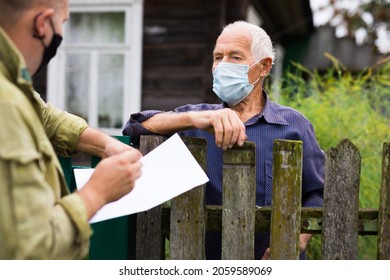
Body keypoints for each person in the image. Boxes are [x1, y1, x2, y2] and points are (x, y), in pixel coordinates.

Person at [123, 21, 324, 259]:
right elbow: (135, 126)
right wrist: (196, 119)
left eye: (235, 57)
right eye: (218, 57)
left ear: (264, 67)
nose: (222, 65)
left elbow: (319, 192)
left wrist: (296, 240)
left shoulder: (294, 125)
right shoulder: (197, 118)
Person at [0, 0, 142, 259]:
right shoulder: (5, 102)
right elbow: (26, 250)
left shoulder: (10, 82)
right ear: (42, 24)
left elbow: (43, 115)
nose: (62, 35)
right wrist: (96, 193)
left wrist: (105, 144)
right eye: (63, 23)